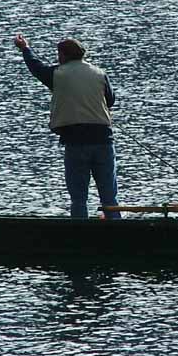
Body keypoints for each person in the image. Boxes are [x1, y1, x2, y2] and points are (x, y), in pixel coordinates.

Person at [13, 34, 121, 219]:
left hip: (76, 141)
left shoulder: (57, 74)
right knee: (109, 197)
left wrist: (25, 49)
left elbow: (36, 68)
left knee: (78, 198)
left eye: (58, 54)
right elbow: (110, 100)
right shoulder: (99, 73)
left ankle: (79, 235)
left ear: (63, 55)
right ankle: (117, 233)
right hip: (103, 139)